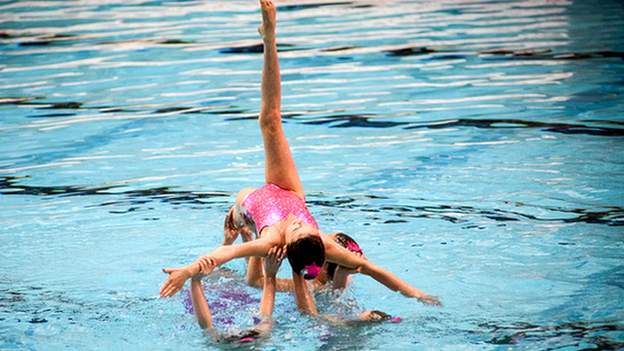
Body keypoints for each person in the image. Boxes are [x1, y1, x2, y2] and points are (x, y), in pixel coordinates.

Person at [160, 0, 441, 315]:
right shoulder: (322, 242)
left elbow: (220, 257)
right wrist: (418, 294)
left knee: (237, 242)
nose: (298, 221)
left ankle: (240, 227)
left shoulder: (270, 244)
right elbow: (376, 270)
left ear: (287, 243)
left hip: (248, 209)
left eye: (297, 229)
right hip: (288, 189)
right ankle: (270, 38)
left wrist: (188, 271)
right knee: (271, 120)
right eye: (307, 227)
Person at [189, 246, 285, 343]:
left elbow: (206, 326)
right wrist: (270, 275)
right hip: (236, 302)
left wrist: (195, 281)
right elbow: (266, 317)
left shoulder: (222, 343)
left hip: (222, 303)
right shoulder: (259, 338)